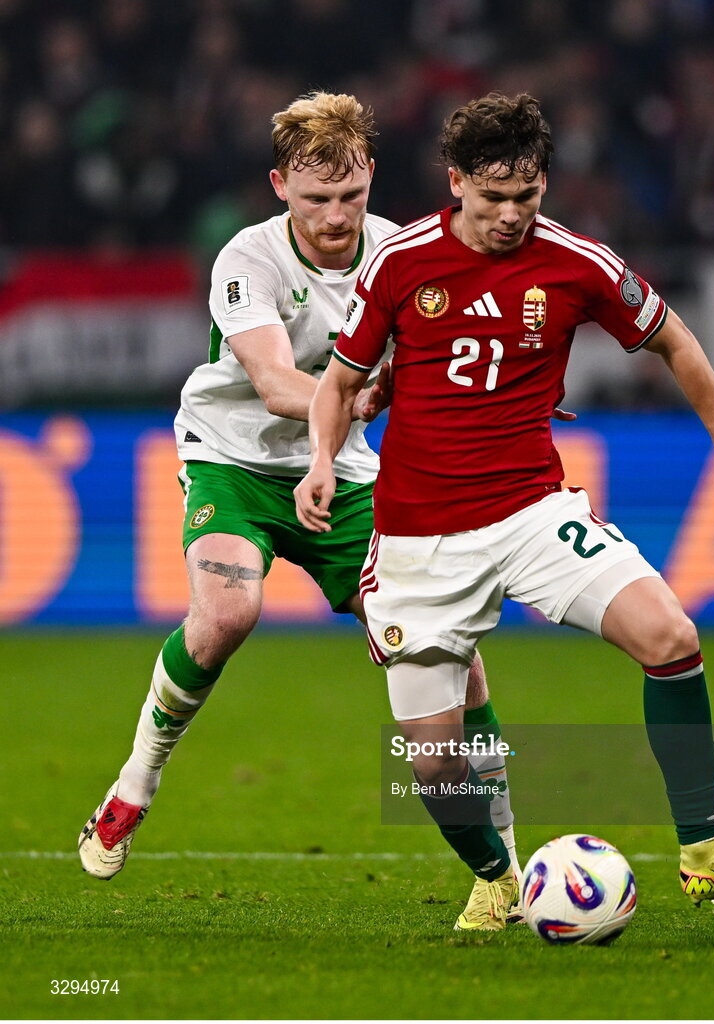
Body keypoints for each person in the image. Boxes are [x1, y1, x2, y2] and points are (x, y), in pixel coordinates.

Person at [295, 92, 714, 931]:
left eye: (526, 198)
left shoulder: (577, 262)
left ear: (545, 186)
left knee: (672, 638)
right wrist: (321, 461)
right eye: (491, 198)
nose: (508, 216)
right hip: (419, 535)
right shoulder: (400, 263)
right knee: (430, 764)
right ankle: (497, 876)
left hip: (531, 507)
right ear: (455, 182)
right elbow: (340, 383)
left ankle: (706, 846)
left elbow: (674, 336)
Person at [78, 92, 520, 902]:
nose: (335, 217)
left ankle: (506, 869)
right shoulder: (248, 261)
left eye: (351, 196)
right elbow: (279, 382)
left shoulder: (397, 252)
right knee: (225, 616)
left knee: (458, 662)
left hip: (345, 475)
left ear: (372, 179)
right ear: (280, 186)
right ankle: (134, 785)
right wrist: (369, 392)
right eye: (316, 199)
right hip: (234, 460)